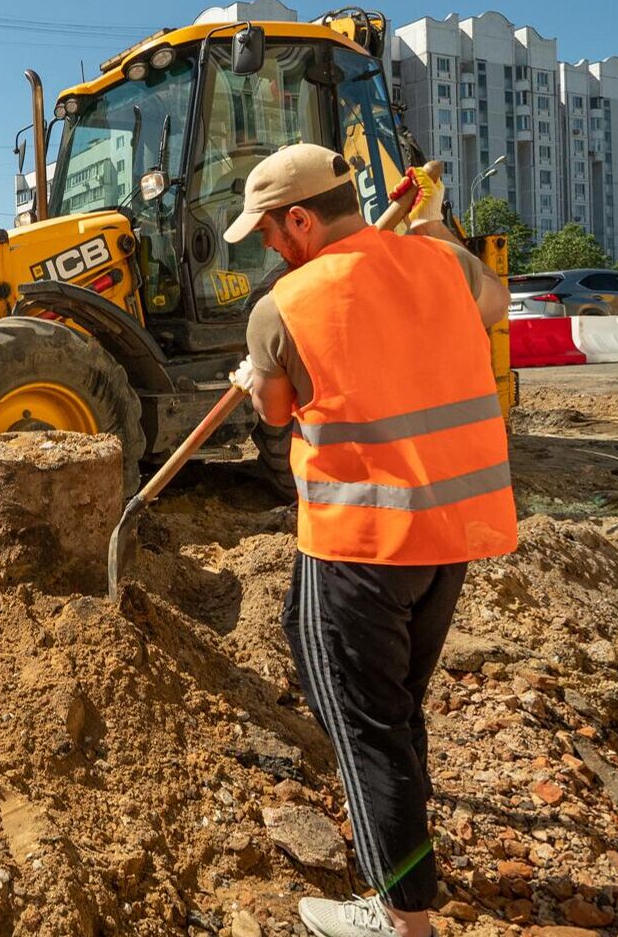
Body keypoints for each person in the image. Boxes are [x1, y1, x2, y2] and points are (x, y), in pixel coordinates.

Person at [222, 145, 516, 937]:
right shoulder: (440, 264)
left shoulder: (284, 306)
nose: (267, 246)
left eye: (268, 231)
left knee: (363, 730)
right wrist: (432, 225)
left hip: (357, 547)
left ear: (300, 219)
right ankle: (407, 849)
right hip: (446, 539)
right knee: (391, 709)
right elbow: (493, 302)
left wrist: (254, 378)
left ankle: (402, 919)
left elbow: (275, 414)